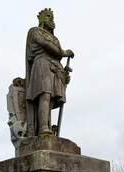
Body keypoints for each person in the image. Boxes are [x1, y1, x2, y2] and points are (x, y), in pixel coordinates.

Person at [26, 8, 74, 136]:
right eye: (48, 16)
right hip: (42, 64)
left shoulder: (55, 38)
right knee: (45, 94)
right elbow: (48, 45)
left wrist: (64, 76)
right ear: (42, 19)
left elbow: (55, 51)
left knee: (52, 99)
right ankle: (42, 128)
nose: (51, 20)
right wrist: (64, 52)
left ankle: (47, 126)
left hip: (55, 68)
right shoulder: (35, 31)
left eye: (52, 17)